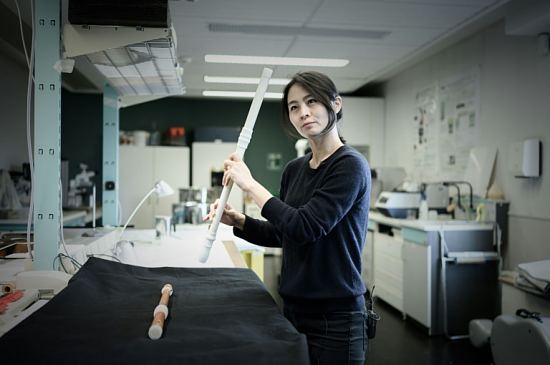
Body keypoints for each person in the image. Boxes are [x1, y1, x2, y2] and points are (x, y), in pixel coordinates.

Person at [205, 71, 371, 364]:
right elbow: (285, 233)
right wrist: (239, 220)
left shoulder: (350, 166)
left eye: (312, 101)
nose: (303, 112)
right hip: (293, 307)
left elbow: (307, 227)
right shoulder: (294, 169)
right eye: (294, 107)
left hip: (337, 317)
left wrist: (250, 184)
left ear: (336, 104)